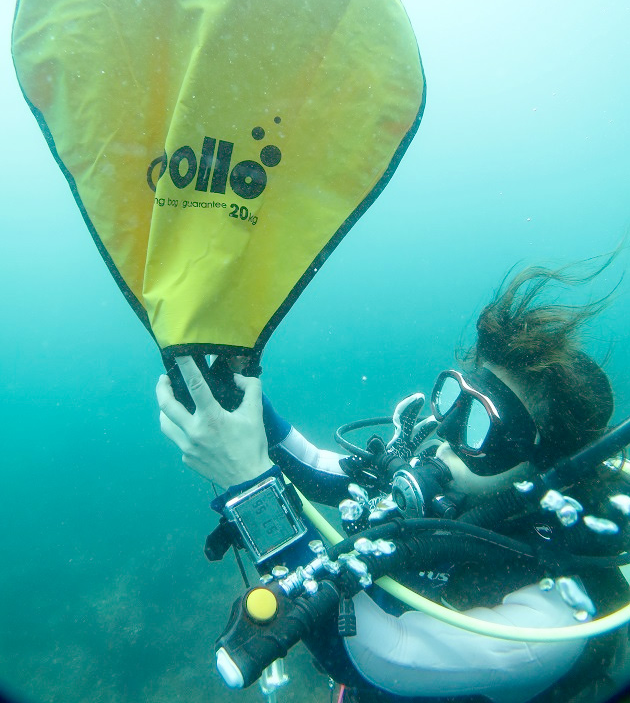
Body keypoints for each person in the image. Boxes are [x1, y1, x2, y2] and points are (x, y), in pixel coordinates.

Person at [156, 262, 630, 703]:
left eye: (480, 424)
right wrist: (236, 394)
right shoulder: (467, 484)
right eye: (454, 400)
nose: (445, 434)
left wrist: (249, 485)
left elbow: (385, 659)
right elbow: (322, 470)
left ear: (540, 464)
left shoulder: (557, 614)